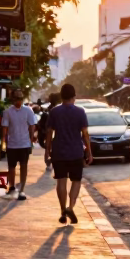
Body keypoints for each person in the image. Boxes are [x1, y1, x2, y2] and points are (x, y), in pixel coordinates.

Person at [45, 82, 92, 224]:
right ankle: (70, 207)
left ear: (61, 96)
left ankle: (62, 211)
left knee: (61, 180)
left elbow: (49, 132)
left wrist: (47, 150)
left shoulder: (54, 112)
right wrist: (89, 151)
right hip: (76, 152)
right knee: (76, 181)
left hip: (59, 151)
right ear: (74, 96)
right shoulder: (80, 112)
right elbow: (85, 134)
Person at [1, 88, 37, 200]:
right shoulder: (8, 112)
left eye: (20, 98)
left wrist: (31, 139)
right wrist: (3, 142)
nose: (19, 101)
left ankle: (21, 190)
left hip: (24, 144)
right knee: (11, 167)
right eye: (16, 98)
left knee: (24, 166)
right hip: (12, 144)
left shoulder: (28, 111)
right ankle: (12, 187)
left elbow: (32, 125)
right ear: (13, 99)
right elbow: (4, 128)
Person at [37, 92, 61, 167]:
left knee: (50, 146)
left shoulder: (52, 109)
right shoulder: (51, 109)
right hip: (50, 132)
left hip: (51, 132)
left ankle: (51, 158)